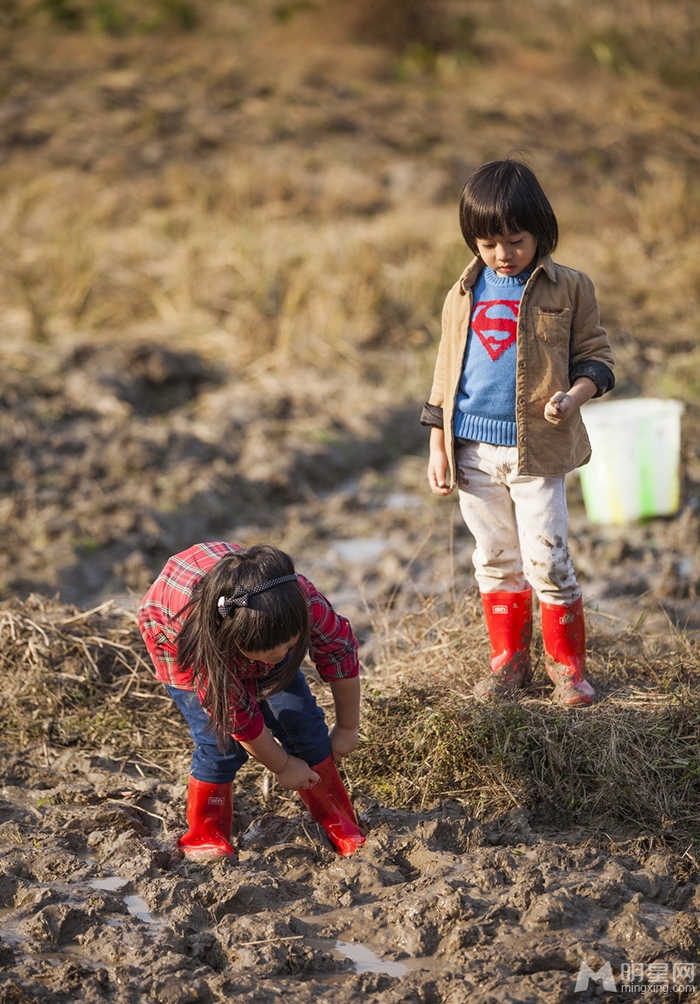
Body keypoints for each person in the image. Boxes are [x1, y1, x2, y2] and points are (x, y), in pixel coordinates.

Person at [422, 159, 615, 707]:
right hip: (472, 451)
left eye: (515, 240)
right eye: (488, 244)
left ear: (540, 232)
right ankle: (510, 665)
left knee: (548, 558)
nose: (503, 254)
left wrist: (573, 396)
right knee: (495, 558)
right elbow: (444, 371)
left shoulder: (570, 288)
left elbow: (597, 358)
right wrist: (438, 446)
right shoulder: (462, 292)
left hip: (537, 452)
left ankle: (567, 669)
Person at [138, 541, 365, 860]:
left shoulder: (301, 601)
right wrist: (283, 766)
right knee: (219, 745)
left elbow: (339, 653)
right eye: (269, 652)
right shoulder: (202, 643)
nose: (280, 658)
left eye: (290, 647)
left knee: (302, 722)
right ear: (234, 638)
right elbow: (236, 717)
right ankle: (204, 832)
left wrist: (346, 727)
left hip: (257, 610)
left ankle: (340, 822)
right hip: (171, 629)